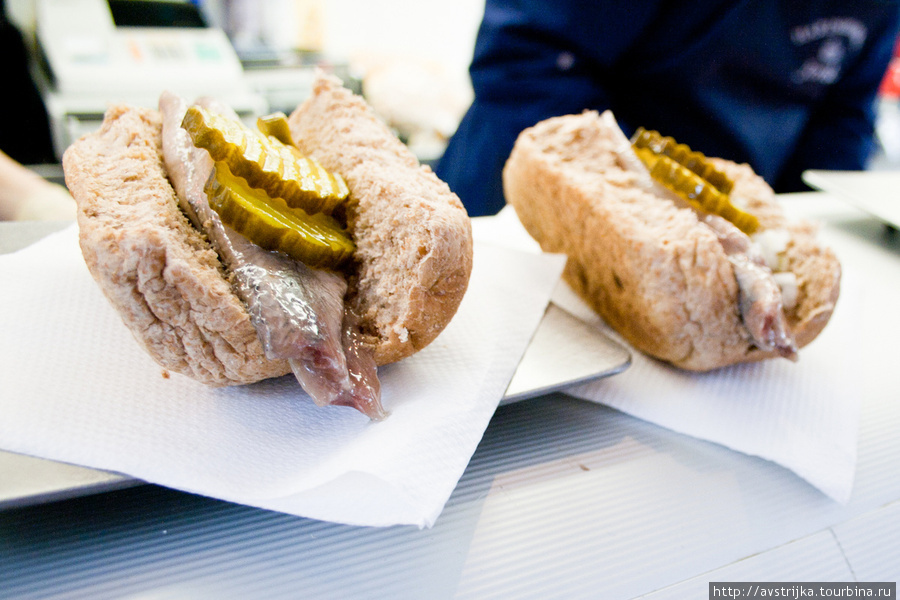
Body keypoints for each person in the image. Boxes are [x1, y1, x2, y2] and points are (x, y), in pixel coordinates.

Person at [436, 0, 900, 217]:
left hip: (720, 216)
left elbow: (843, 118)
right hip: (517, 209)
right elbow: (527, 63)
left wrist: (787, 224)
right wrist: (678, 204)